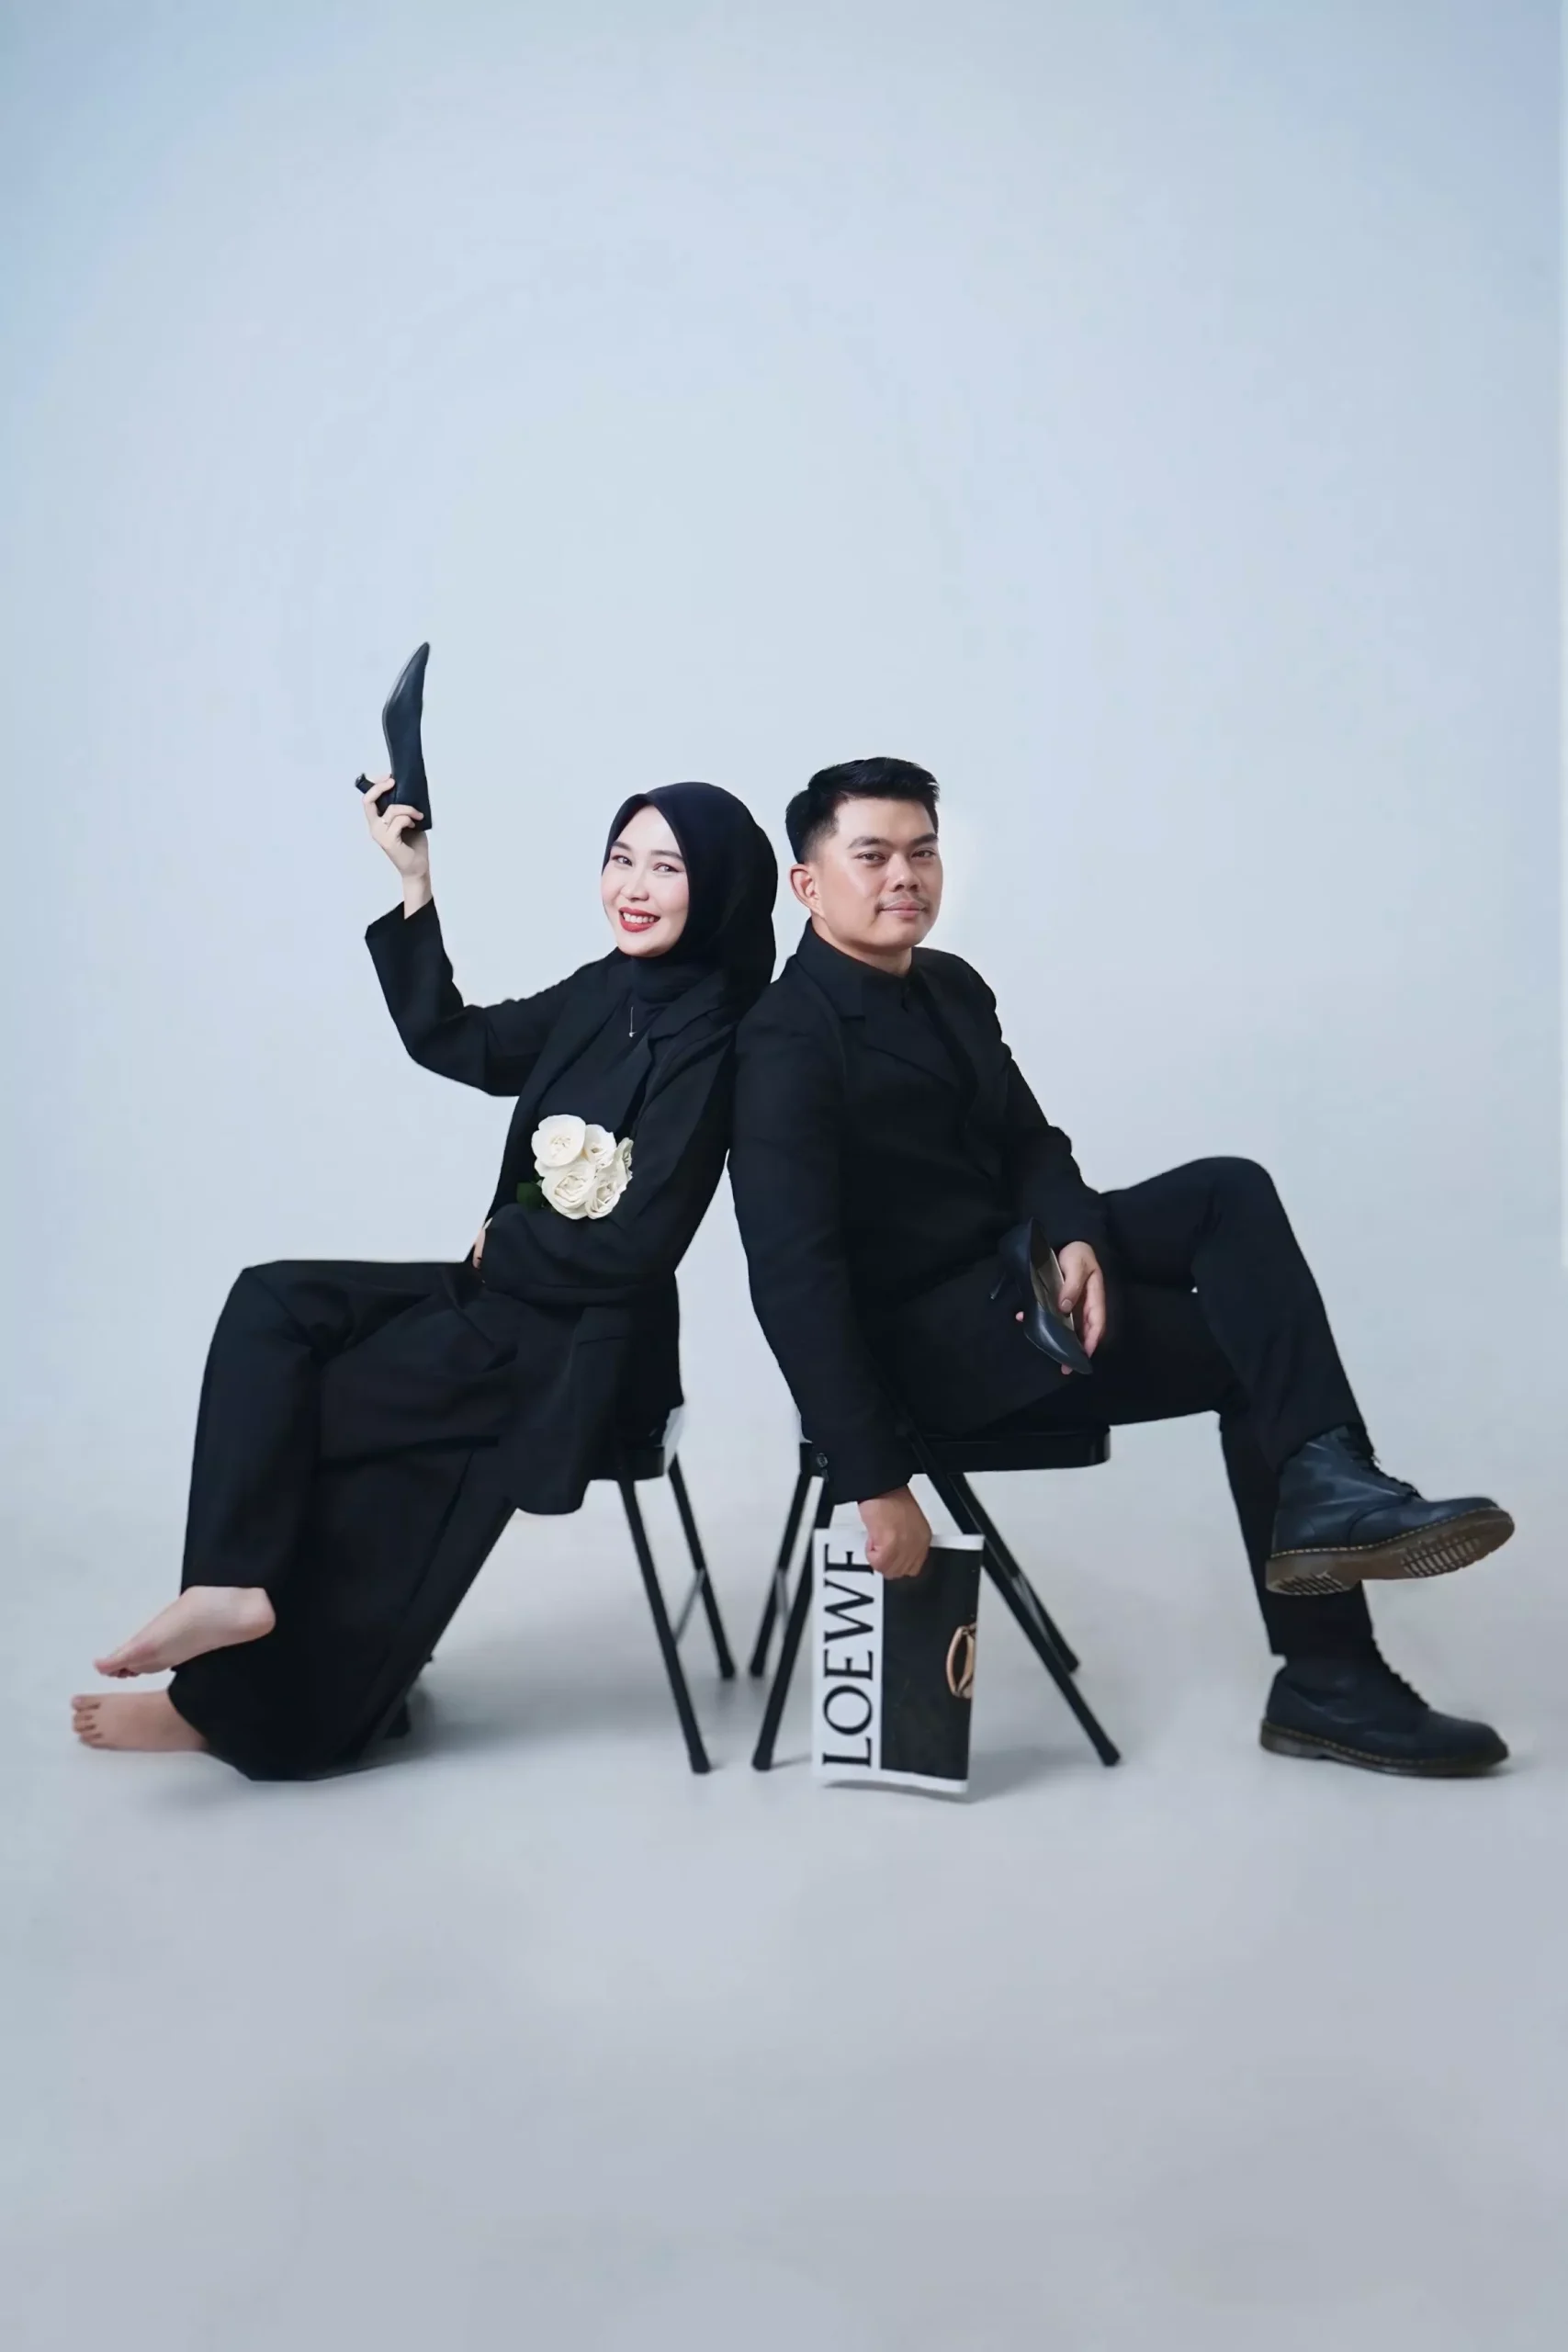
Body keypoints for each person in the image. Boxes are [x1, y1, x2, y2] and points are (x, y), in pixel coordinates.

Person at [728, 757, 1514, 1776]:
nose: (904, 876)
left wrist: (1079, 1236)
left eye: (923, 852)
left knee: (1227, 1190)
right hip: (936, 1351)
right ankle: (1331, 1676)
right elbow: (793, 1280)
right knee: (1255, 1356)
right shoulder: (786, 1041)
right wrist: (875, 1477)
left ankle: (1328, 1481)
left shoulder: (951, 986)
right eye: (872, 856)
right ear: (808, 883)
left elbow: (1030, 1145)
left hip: (1016, 1269)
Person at [73, 775, 776, 1777]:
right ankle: (232, 1587)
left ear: (721, 891)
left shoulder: (721, 1035)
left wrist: (506, 1244)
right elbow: (462, 1040)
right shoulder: (608, 987)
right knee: (275, 1303)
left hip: (576, 1343)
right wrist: (414, 884)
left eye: (667, 868)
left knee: (323, 1398)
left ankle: (255, 1712)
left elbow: (641, 1242)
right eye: (621, 858)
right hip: (503, 1299)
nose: (633, 886)